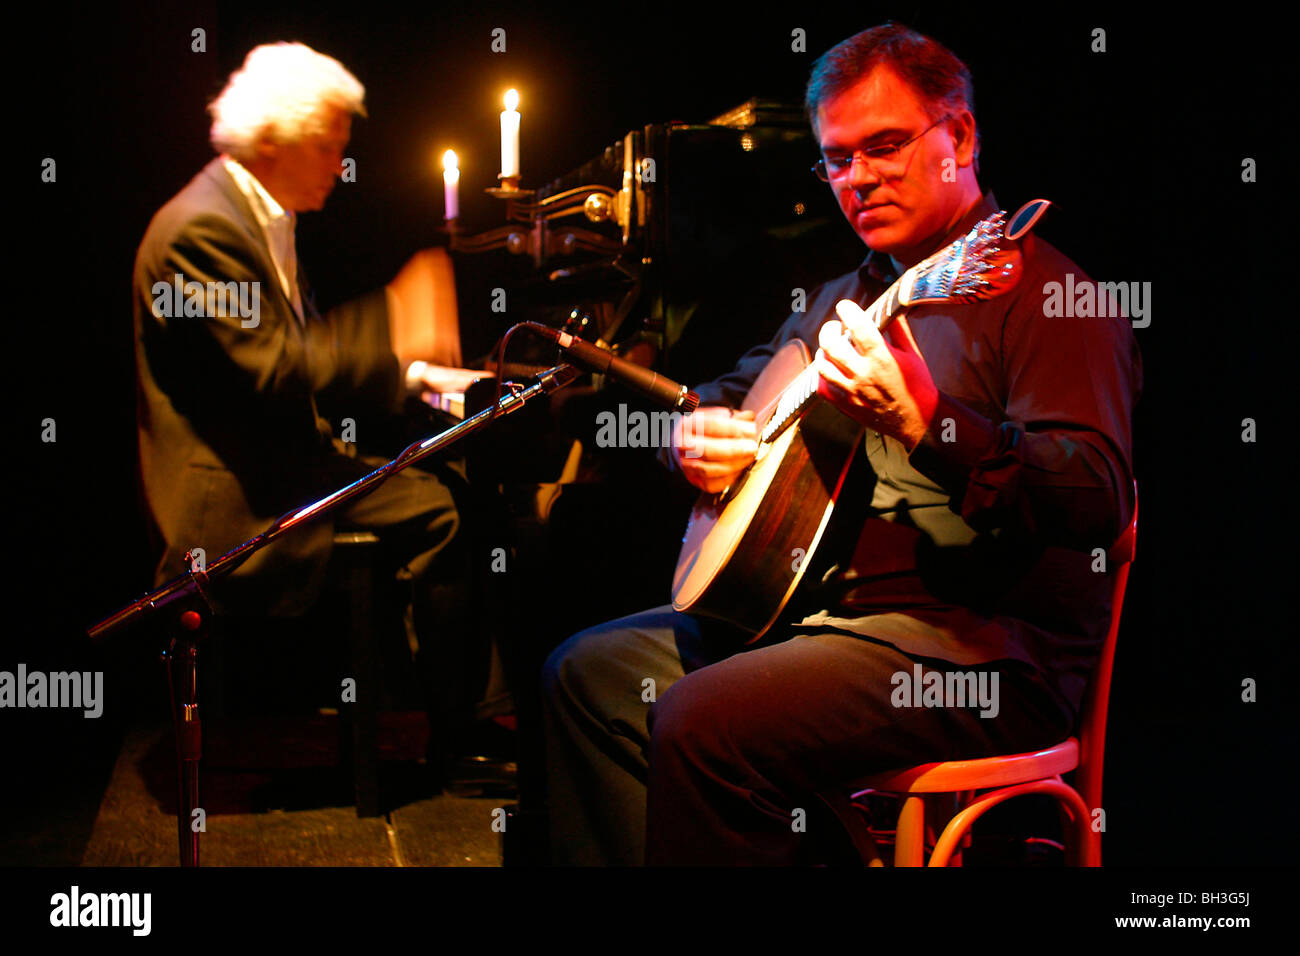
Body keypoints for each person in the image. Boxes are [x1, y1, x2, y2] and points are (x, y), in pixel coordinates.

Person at [540, 23, 1141, 865]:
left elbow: (1095, 496)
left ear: (960, 136)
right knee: (589, 675)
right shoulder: (845, 295)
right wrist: (687, 438)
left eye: (884, 146)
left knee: (703, 721)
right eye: (836, 158)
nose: (856, 179)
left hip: (978, 652)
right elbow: (729, 396)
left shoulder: (1049, 297)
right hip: (820, 622)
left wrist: (928, 425)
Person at [133, 42, 488, 766]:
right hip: (240, 499)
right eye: (328, 148)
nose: (339, 166)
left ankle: (421, 706)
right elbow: (272, 366)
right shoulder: (200, 230)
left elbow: (294, 357)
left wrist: (413, 368)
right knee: (446, 511)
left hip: (283, 462)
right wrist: (393, 317)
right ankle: (454, 736)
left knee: (446, 484)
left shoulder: (257, 213)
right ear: (271, 141)